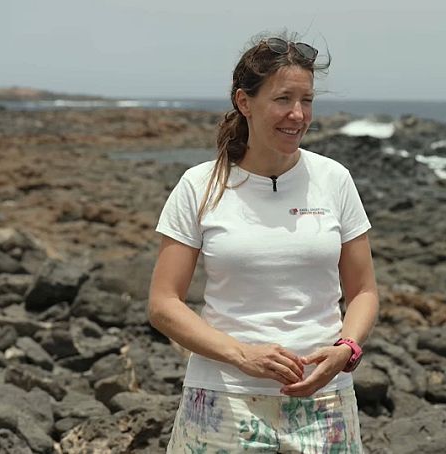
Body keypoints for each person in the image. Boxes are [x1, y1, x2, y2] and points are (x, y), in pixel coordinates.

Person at [148, 32, 378, 453]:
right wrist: (242, 355)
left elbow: (363, 291)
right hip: (222, 402)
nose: (297, 114)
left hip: (324, 401)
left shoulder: (334, 180)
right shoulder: (200, 185)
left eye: (306, 100)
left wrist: (346, 349)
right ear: (244, 102)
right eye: (282, 99)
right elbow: (163, 304)